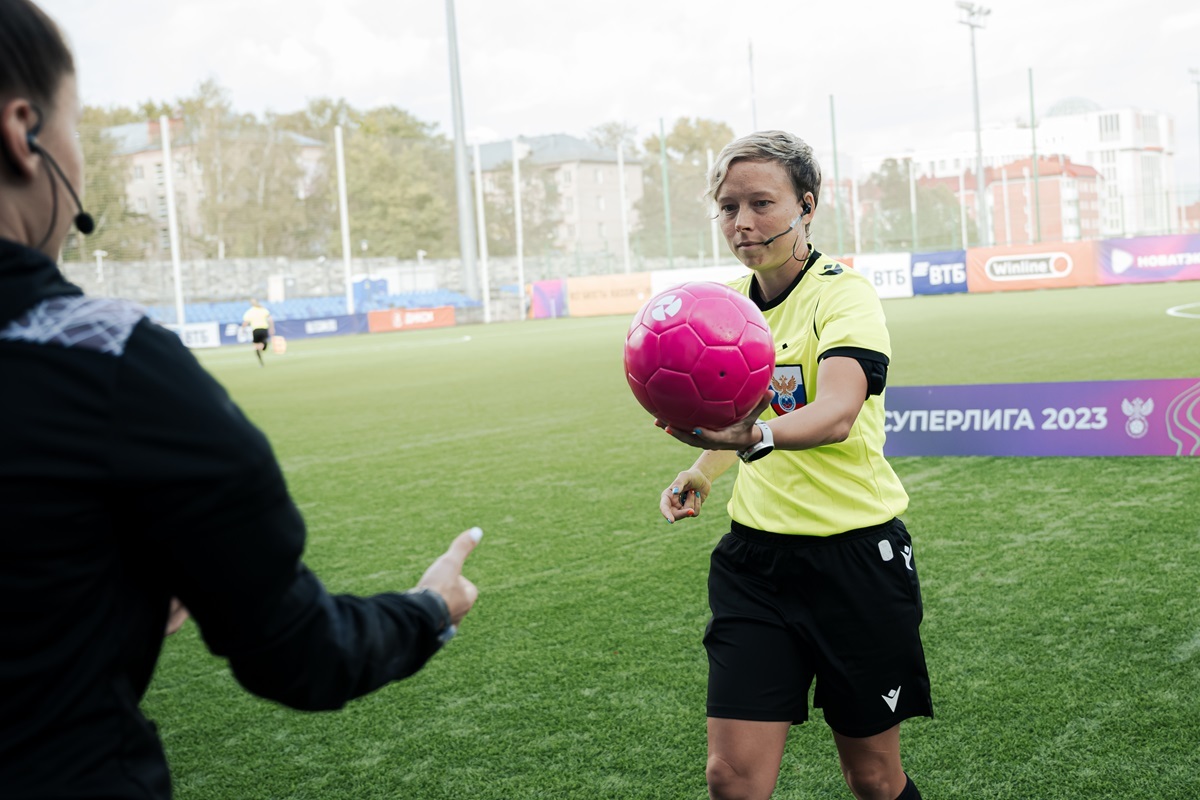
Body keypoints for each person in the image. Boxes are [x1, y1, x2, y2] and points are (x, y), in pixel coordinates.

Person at [0, 2, 481, 797]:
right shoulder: (114, 363)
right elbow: (301, 653)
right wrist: (429, 609)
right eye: (77, 126)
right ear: (24, 131)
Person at [658, 131, 931, 800]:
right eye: (728, 208)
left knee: (871, 776)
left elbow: (836, 411)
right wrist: (703, 470)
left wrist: (754, 441)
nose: (743, 224)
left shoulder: (845, 296)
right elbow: (737, 419)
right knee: (731, 778)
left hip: (856, 561)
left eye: (761, 203)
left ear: (806, 205)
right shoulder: (723, 308)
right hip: (755, 566)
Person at [241, 297, 274, 365]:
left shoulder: (250, 311)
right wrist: (272, 328)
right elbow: (270, 319)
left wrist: (242, 329)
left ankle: (260, 360)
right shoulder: (262, 309)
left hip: (256, 330)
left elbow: (245, 322)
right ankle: (261, 358)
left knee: (257, 346)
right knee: (262, 344)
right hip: (263, 329)